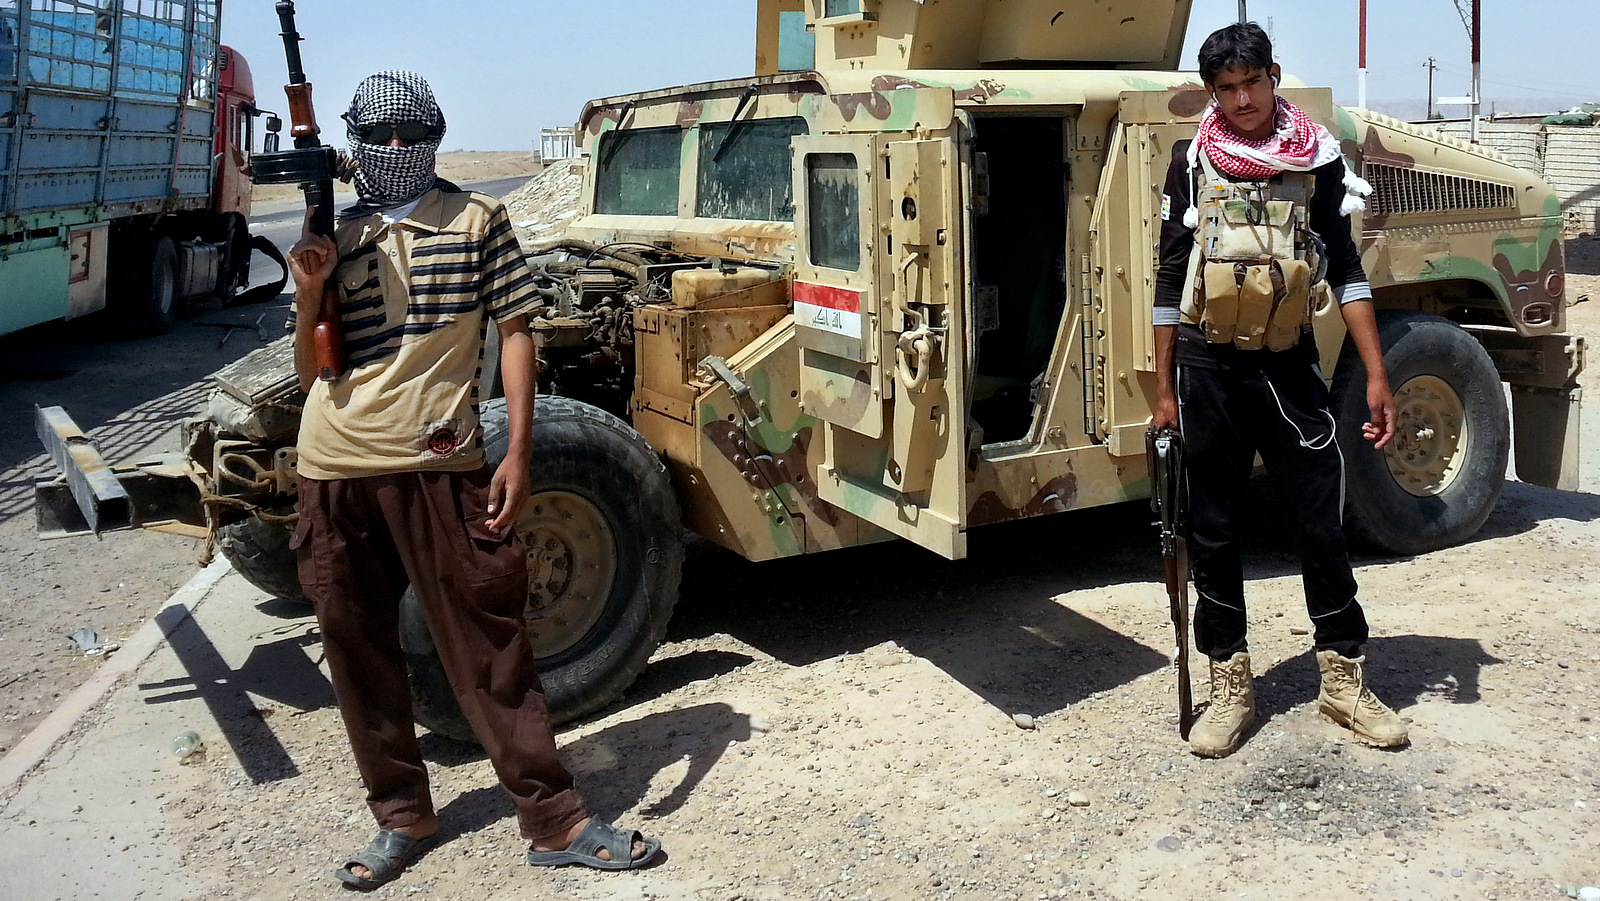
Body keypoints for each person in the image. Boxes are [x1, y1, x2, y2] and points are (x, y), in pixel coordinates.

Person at [286, 70, 662, 890]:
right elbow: (311, 366)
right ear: (355, 141)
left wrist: (518, 452)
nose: (394, 150)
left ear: (435, 136)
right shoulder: (334, 234)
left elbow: (517, 331)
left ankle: (554, 817)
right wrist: (311, 281)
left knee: (489, 646)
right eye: (378, 136)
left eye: (411, 134)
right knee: (357, 650)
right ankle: (401, 815)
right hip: (332, 467)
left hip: (438, 463)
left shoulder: (476, 218)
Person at [1152, 25, 1409, 758]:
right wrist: (1162, 387)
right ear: (1212, 92)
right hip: (1208, 369)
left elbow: (1348, 270)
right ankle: (1230, 683)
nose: (1242, 102)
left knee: (1319, 522)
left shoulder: (1320, 159)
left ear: (1274, 76)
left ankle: (1342, 679)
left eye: (1252, 84)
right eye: (1226, 90)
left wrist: (1379, 374)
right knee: (1212, 528)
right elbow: (1170, 279)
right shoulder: (1191, 161)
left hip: (1289, 368)